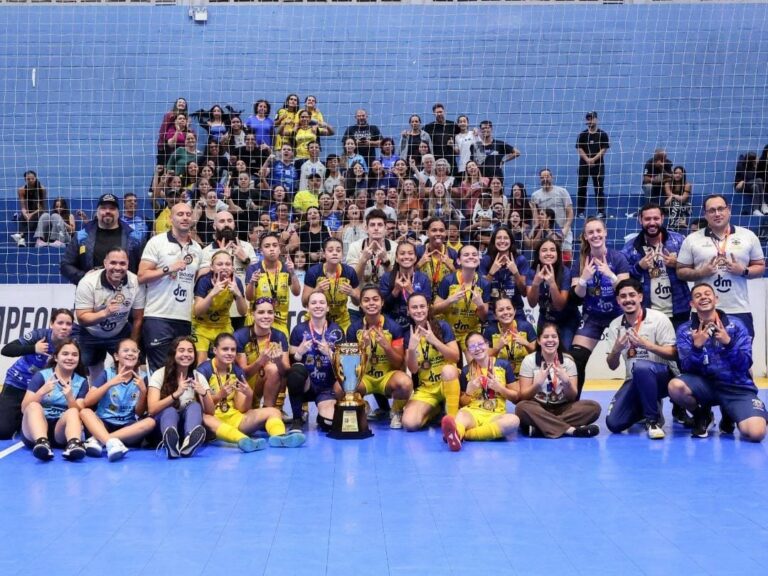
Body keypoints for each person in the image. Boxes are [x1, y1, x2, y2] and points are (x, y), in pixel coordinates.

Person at [668, 283, 766, 441]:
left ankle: (729, 414)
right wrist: (697, 348)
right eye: (698, 296)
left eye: (708, 294)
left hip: (736, 387)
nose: (704, 297)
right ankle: (702, 415)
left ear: (716, 299)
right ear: (692, 304)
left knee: (756, 433)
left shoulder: (737, 325)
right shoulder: (686, 330)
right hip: (705, 386)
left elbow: (745, 364)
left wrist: (729, 343)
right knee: (675, 386)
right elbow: (686, 367)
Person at [676, 194, 765, 339]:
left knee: (740, 357)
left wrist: (743, 270)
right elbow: (680, 271)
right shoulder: (692, 240)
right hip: (702, 310)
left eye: (721, 209)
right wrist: (700, 272)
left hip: (738, 308)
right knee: (704, 357)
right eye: (711, 210)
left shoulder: (748, 236)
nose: (717, 214)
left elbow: (760, 267)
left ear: (728, 210)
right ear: (705, 214)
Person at [199, 333, 305, 451]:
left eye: (233, 350)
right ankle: (243, 440)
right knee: (205, 418)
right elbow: (205, 408)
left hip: (234, 418)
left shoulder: (237, 371)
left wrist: (248, 395)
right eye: (225, 349)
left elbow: (242, 409)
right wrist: (220, 395)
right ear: (215, 350)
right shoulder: (203, 371)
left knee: (274, 411)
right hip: (214, 420)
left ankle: (279, 437)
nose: (229, 353)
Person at [603, 279, 679, 439]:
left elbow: (673, 353)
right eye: (623, 296)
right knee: (614, 423)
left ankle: (653, 421)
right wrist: (616, 350)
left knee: (641, 366)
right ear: (618, 301)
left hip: (663, 377)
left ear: (640, 297)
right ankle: (648, 407)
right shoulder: (614, 325)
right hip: (633, 380)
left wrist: (647, 345)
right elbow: (612, 365)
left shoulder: (659, 318)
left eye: (632, 295)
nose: (628, 299)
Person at [138, 202, 203, 373]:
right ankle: (158, 401)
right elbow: (142, 276)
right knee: (160, 371)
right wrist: (168, 269)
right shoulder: (157, 242)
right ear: (170, 218)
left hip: (184, 318)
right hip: (158, 316)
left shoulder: (197, 248)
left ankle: (176, 400)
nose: (185, 217)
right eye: (180, 214)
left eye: (188, 214)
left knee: (181, 370)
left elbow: (197, 280)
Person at [570, 218, 630, 396]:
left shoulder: (617, 258)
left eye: (598, 231)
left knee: (636, 356)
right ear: (586, 237)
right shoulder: (581, 262)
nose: (595, 235)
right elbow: (577, 297)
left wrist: (610, 275)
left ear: (605, 233)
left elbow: (626, 291)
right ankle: (573, 406)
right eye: (591, 232)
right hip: (592, 317)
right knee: (576, 359)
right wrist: (584, 279)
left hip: (619, 316)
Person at [514, 324, 601, 439]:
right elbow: (523, 396)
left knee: (593, 408)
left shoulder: (568, 361)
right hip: (538, 407)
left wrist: (566, 382)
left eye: (554, 336)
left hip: (562, 408)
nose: (550, 340)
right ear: (539, 341)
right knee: (521, 407)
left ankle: (540, 427)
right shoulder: (529, 361)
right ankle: (572, 431)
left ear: (559, 340)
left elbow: (572, 397)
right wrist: (537, 384)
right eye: (546, 337)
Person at [0, 309, 75, 440]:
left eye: (68, 324)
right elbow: (6, 350)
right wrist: (34, 348)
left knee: (48, 431)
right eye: (60, 323)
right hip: (18, 384)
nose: (64, 327)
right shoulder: (40, 335)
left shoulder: (71, 345)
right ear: (52, 324)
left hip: (42, 392)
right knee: (3, 431)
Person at [346, 286, 413, 429]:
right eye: (366, 300)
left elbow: (398, 364)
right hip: (365, 378)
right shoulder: (353, 329)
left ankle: (397, 411)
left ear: (382, 302)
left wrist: (387, 347)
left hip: (386, 377)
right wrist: (362, 348)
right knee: (341, 386)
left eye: (375, 299)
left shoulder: (393, 327)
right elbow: (350, 367)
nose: (371, 303)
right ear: (360, 304)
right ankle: (363, 404)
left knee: (405, 383)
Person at [440, 332, 519, 451]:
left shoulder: (503, 365)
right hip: (473, 413)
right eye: (472, 346)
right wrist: (468, 392)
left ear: (487, 345)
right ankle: (457, 434)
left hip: (496, 415)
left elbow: (516, 396)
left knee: (513, 421)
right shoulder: (467, 370)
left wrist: (500, 389)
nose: (477, 348)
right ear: (468, 351)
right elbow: (462, 403)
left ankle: (462, 435)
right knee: (461, 416)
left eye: (480, 344)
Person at [74, 247, 146, 379]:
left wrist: (132, 345)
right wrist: (105, 313)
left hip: (118, 331)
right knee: (75, 364)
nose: (118, 267)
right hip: (88, 331)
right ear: (105, 263)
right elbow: (82, 318)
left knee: (131, 360)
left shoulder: (135, 282)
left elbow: (138, 319)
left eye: (122, 263)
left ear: (128, 264)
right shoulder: (87, 282)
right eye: (113, 263)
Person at [80, 338, 156, 461]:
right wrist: (109, 384)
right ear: (116, 356)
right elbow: (87, 402)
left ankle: (100, 440)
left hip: (127, 428)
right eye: (126, 350)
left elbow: (139, 413)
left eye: (134, 351)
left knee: (150, 422)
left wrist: (143, 392)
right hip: (103, 423)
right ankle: (110, 442)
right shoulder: (107, 374)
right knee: (85, 412)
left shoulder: (143, 378)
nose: (130, 353)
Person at [621, 204, 691, 329]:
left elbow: (694, 269)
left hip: (679, 309)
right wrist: (639, 267)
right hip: (647, 311)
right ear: (640, 220)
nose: (652, 223)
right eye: (647, 219)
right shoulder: (630, 248)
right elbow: (622, 282)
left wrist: (678, 264)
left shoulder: (679, 241)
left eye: (656, 218)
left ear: (662, 218)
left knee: (680, 348)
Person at [401, 293, 461, 431]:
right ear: (408, 311)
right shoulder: (407, 334)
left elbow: (455, 357)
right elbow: (414, 369)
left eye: (422, 306)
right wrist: (411, 349)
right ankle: (435, 410)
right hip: (427, 389)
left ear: (428, 308)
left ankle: (452, 422)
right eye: (414, 307)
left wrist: (434, 340)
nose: (419, 310)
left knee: (448, 370)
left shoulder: (442, 326)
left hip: (447, 382)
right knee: (409, 424)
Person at [20, 339, 89, 461]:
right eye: (65, 354)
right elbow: (24, 408)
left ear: (79, 359)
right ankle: (42, 442)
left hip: (60, 431)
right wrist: (41, 392)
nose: (70, 358)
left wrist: (70, 398)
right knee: (33, 406)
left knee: (73, 411)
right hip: (35, 429)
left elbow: (80, 413)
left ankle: (73, 444)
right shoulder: (42, 376)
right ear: (56, 357)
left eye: (74, 355)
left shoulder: (82, 381)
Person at [287, 291, 346, 432]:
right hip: (307, 385)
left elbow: (344, 365)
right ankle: (297, 418)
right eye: (313, 303)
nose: (318, 306)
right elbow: (291, 363)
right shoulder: (298, 330)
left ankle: (321, 416)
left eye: (321, 302)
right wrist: (299, 353)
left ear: (327, 307)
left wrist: (330, 354)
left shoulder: (337, 331)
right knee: (295, 372)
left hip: (327, 388)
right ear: (307, 307)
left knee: (330, 424)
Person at [147, 336, 211, 458]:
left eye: (190, 351)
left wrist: (204, 393)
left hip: (185, 426)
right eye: (181, 350)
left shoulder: (198, 376)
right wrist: (176, 394)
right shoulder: (160, 374)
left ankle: (189, 441)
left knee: (195, 406)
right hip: (162, 426)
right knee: (169, 410)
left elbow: (210, 411)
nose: (186, 354)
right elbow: (151, 409)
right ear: (173, 353)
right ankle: (171, 442)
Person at [60, 194, 145, 285]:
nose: (107, 211)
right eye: (103, 208)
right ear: (97, 211)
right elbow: (65, 264)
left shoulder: (134, 237)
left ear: (118, 212)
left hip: (125, 293)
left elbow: (143, 267)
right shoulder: (82, 236)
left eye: (112, 208)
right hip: (91, 292)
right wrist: (84, 277)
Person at [197, 210, 257, 331]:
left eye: (230, 221)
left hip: (242, 310)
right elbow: (200, 276)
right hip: (215, 313)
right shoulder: (207, 250)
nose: (226, 224)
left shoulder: (246, 247)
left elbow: (258, 274)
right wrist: (221, 255)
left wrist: (245, 259)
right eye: (222, 221)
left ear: (234, 224)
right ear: (214, 226)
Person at [433, 244, 491, 358]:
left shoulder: (484, 284)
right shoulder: (448, 280)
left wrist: (480, 305)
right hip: (448, 330)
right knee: (451, 368)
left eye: (474, 254)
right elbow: (434, 310)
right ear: (458, 261)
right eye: (466, 255)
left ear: (478, 261)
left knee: (475, 364)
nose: (471, 257)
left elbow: (484, 318)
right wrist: (450, 300)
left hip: (471, 331)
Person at [192, 250, 248, 364]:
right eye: (219, 264)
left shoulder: (236, 282)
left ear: (232, 267)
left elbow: (243, 312)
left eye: (228, 264)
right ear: (212, 267)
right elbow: (197, 311)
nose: (224, 267)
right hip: (202, 326)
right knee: (201, 361)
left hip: (223, 325)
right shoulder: (204, 281)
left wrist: (238, 294)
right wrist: (213, 293)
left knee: (231, 359)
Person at [235, 298, 290, 409]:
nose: (266, 316)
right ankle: (252, 405)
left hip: (262, 382)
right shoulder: (239, 336)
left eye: (270, 312)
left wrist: (279, 362)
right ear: (252, 313)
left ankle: (268, 408)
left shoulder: (279, 336)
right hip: (243, 386)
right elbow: (242, 374)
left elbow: (286, 372)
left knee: (274, 369)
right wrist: (260, 361)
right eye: (261, 312)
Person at [526, 239, 581, 351]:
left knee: (565, 353)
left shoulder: (565, 272)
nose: (548, 253)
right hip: (545, 317)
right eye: (544, 250)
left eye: (552, 250)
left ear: (557, 254)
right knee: (543, 352)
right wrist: (536, 283)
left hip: (567, 319)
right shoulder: (532, 272)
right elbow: (532, 304)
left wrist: (552, 283)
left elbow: (560, 306)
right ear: (538, 254)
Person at [245, 233, 301, 338]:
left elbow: (296, 292)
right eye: (267, 246)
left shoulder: (286, 268)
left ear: (279, 249)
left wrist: (293, 273)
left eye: (275, 245)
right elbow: (249, 297)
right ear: (261, 251)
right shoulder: (253, 269)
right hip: (256, 322)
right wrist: (252, 282)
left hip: (280, 322)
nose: (272, 249)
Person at [303, 238, 360, 332]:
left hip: (342, 322)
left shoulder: (350, 272)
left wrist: (352, 293)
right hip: (316, 320)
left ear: (342, 254)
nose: (335, 253)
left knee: (347, 347)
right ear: (324, 253)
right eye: (330, 250)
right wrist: (316, 291)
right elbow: (304, 302)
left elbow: (358, 302)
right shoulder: (313, 272)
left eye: (338, 250)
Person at [479, 226, 530, 323]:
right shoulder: (486, 260)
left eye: (506, 238)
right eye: (499, 238)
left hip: (515, 310)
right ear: (494, 241)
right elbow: (480, 291)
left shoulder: (520, 260)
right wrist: (491, 273)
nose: (502, 241)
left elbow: (524, 292)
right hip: (492, 311)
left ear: (511, 241)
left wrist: (515, 272)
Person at [380, 241, 431, 331]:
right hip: (391, 326)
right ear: (396, 258)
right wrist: (395, 291)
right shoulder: (386, 277)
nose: (406, 256)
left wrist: (411, 291)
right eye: (402, 254)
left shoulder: (423, 278)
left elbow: (427, 307)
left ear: (415, 258)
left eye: (410, 253)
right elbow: (382, 307)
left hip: (416, 325)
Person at [530, 168, 575, 263]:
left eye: (547, 176)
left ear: (552, 177)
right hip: (545, 233)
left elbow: (570, 212)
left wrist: (565, 229)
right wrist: (537, 230)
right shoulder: (535, 195)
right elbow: (535, 217)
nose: (545, 179)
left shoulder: (562, 192)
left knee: (565, 260)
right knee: (546, 260)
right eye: (542, 177)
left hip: (562, 231)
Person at [483, 297, 536, 376]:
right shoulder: (490, 331)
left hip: (525, 374)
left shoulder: (526, 326)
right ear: (495, 315)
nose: (505, 312)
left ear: (514, 311)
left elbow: (538, 353)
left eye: (509, 308)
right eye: (501, 310)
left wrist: (526, 343)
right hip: (501, 376)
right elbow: (485, 359)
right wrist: (497, 348)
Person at [575, 111, 609, 219]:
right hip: (584, 166)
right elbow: (579, 148)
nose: (590, 121)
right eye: (588, 119)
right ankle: (580, 211)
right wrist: (587, 159)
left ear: (596, 120)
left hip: (598, 165)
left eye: (592, 118)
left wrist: (594, 159)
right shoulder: (582, 135)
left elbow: (604, 149)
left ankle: (601, 211)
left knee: (599, 188)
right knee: (582, 188)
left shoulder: (602, 134)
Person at [414, 218, 457, 302]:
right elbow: (409, 276)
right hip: (422, 299)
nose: (438, 233)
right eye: (434, 230)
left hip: (445, 299)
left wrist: (451, 267)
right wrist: (418, 264)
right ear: (427, 233)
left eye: (441, 230)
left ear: (446, 233)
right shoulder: (418, 251)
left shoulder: (453, 253)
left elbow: (461, 280)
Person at [734, 151, 767, 216]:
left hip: (751, 186)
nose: (757, 159)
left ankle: (755, 210)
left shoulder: (757, 167)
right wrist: (744, 181)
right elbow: (739, 185)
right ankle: (763, 203)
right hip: (742, 187)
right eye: (755, 159)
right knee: (759, 180)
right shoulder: (742, 168)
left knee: (755, 186)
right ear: (751, 161)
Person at [664, 166, 692, 230]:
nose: (677, 175)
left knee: (677, 204)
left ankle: (672, 225)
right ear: (673, 174)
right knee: (675, 204)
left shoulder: (687, 185)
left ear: (683, 175)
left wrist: (673, 196)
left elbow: (683, 199)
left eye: (680, 174)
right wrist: (677, 197)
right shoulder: (668, 184)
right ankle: (680, 221)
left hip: (685, 207)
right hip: (669, 206)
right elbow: (668, 194)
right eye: (676, 173)